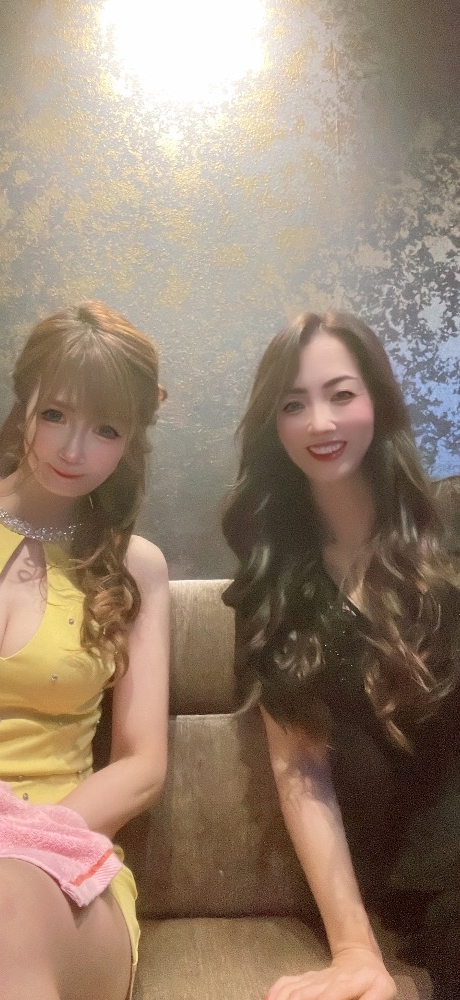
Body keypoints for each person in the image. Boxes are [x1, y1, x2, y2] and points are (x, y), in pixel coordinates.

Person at [0, 300, 170, 1000]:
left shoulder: (136, 567)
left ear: (131, 441)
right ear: (25, 404)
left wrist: (8, 839)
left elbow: (142, 765)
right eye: (55, 414)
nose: (74, 450)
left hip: (49, 866)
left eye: (106, 429)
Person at [222, 311, 460, 1000]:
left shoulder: (449, 526)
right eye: (294, 404)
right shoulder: (272, 584)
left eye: (341, 394)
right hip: (426, 882)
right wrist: (355, 948)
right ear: (273, 426)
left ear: (377, 401)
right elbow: (300, 765)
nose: (320, 421)